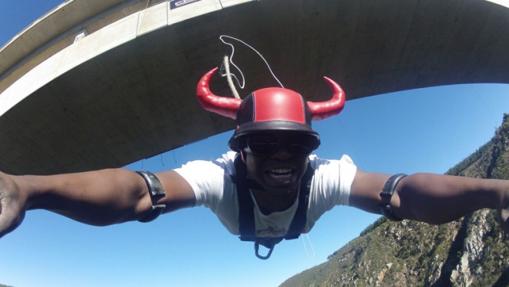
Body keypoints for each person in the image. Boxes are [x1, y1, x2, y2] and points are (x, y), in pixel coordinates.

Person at [1, 68, 508, 258]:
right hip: (244, 222)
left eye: (297, 146)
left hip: (269, 224)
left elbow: (401, 193)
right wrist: (30, 190)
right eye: (265, 146)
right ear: (240, 148)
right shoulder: (218, 176)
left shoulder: (324, 177)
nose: (283, 158)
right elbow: (139, 193)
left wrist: (498, 192)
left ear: (311, 149)